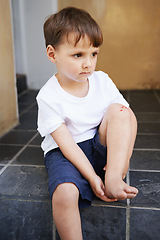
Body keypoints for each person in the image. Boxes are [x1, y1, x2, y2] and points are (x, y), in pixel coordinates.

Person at [36, 6, 138, 240]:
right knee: (64, 193)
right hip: (66, 152)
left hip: (98, 144)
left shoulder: (102, 80)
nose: (88, 64)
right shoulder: (48, 96)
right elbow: (66, 145)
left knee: (122, 111)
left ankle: (112, 178)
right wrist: (92, 177)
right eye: (78, 55)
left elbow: (128, 120)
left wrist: (119, 169)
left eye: (93, 54)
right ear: (52, 54)